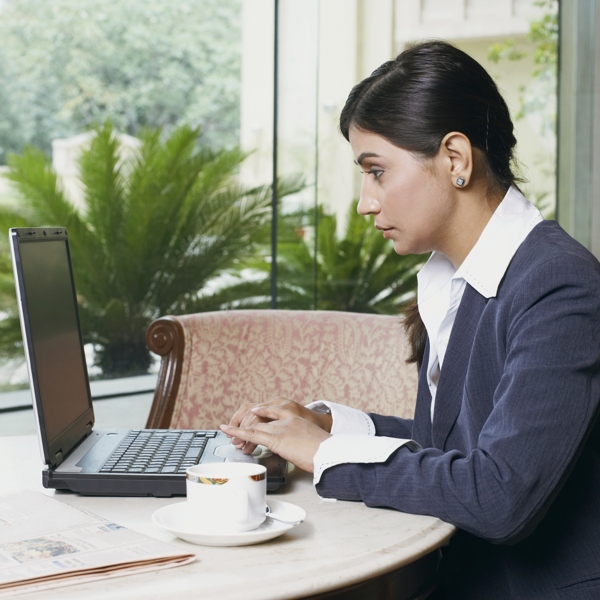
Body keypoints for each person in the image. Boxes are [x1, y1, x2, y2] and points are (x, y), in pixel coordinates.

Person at [220, 40, 600, 599]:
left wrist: (324, 456)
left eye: (377, 172)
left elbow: (499, 496)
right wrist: (332, 428)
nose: (364, 203)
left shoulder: (558, 284)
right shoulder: (457, 278)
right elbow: (458, 449)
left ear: (455, 159)